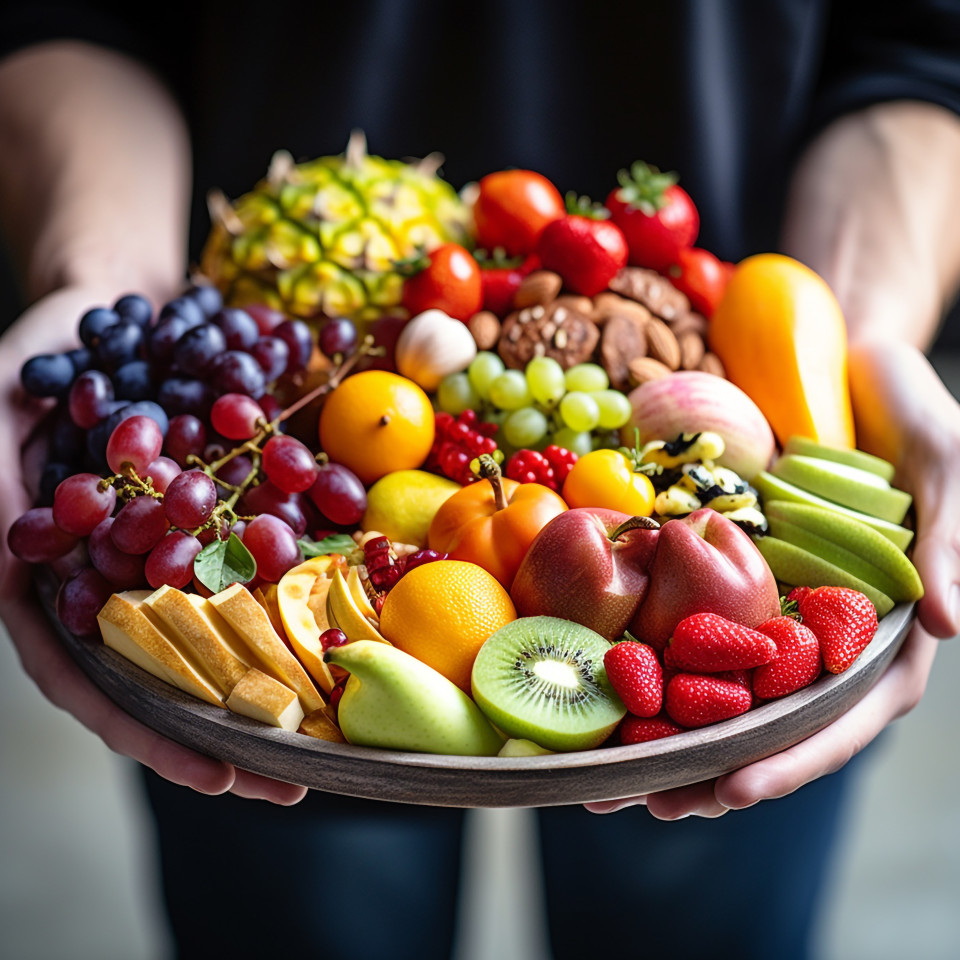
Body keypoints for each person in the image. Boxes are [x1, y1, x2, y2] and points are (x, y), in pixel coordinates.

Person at [1, 3, 959, 958]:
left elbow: (922, 48)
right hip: (284, 392)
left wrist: (857, 340)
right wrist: (99, 277)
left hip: (742, 380)